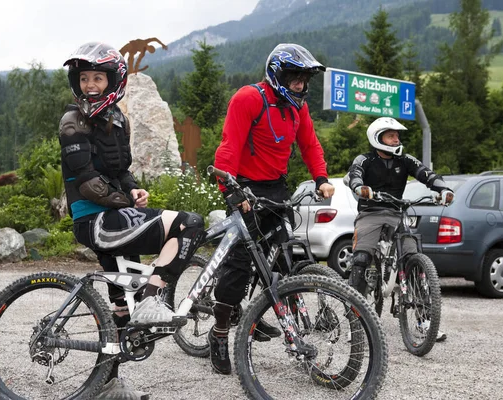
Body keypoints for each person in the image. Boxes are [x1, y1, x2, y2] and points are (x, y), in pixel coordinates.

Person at [60, 42, 205, 399]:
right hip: (95, 221)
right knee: (190, 224)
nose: (90, 85)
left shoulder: (118, 119)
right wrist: (126, 201)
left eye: (97, 77)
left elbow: (119, 171)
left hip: (116, 215)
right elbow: (88, 183)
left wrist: (135, 190)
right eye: (84, 78)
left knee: (120, 311)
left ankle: (106, 386)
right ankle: (154, 296)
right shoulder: (72, 121)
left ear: (113, 82)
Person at [210, 43, 335, 375]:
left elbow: (309, 144)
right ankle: (220, 332)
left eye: (304, 78)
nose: (300, 84)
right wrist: (231, 192)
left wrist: (321, 177)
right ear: (278, 74)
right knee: (238, 266)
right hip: (244, 188)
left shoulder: (298, 108)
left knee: (282, 259)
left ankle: (262, 314)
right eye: (294, 76)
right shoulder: (249, 98)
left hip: (276, 191)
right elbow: (229, 146)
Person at [343, 116, 454, 342]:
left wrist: (443, 189)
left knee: (414, 259)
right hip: (370, 214)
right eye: (391, 136)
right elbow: (354, 177)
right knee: (361, 258)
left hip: (396, 214)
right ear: (378, 138)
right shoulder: (364, 159)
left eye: (397, 135)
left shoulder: (405, 160)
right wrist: (360, 188)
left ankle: (424, 321)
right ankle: (354, 322)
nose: (396, 139)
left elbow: (426, 174)